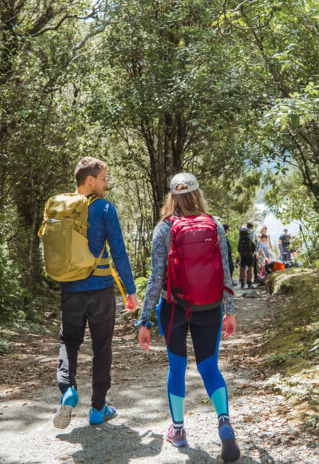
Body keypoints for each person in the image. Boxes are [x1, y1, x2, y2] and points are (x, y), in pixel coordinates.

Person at [135, 173, 240, 462]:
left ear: (171, 198)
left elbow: (156, 278)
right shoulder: (215, 225)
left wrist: (145, 320)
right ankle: (224, 423)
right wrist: (229, 311)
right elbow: (226, 272)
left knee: (177, 367)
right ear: (198, 195)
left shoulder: (164, 228)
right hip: (210, 308)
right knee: (209, 367)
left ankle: (178, 431)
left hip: (174, 308)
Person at [51, 157, 139, 429]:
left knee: (69, 341)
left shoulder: (62, 207)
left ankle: (67, 390)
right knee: (102, 348)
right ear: (90, 180)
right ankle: (98, 409)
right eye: (103, 178)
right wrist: (131, 290)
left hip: (70, 289)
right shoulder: (105, 208)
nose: (106, 183)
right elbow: (118, 252)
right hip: (100, 290)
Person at [237, 222, 256, 289]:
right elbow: (253, 244)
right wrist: (252, 252)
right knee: (250, 268)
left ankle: (242, 283)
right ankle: (249, 283)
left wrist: (241, 252)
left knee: (243, 267)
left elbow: (238, 246)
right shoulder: (251, 233)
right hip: (250, 254)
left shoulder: (241, 235)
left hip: (243, 254)